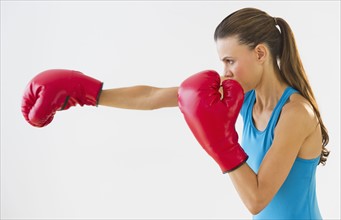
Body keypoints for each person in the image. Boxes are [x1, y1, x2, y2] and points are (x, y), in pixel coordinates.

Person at [21, 7, 329, 219]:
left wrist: (221, 144)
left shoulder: (296, 114)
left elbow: (257, 199)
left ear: (260, 53)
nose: (225, 72)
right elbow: (155, 96)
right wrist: (89, 94)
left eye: (230, 61)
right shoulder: (245, 99)